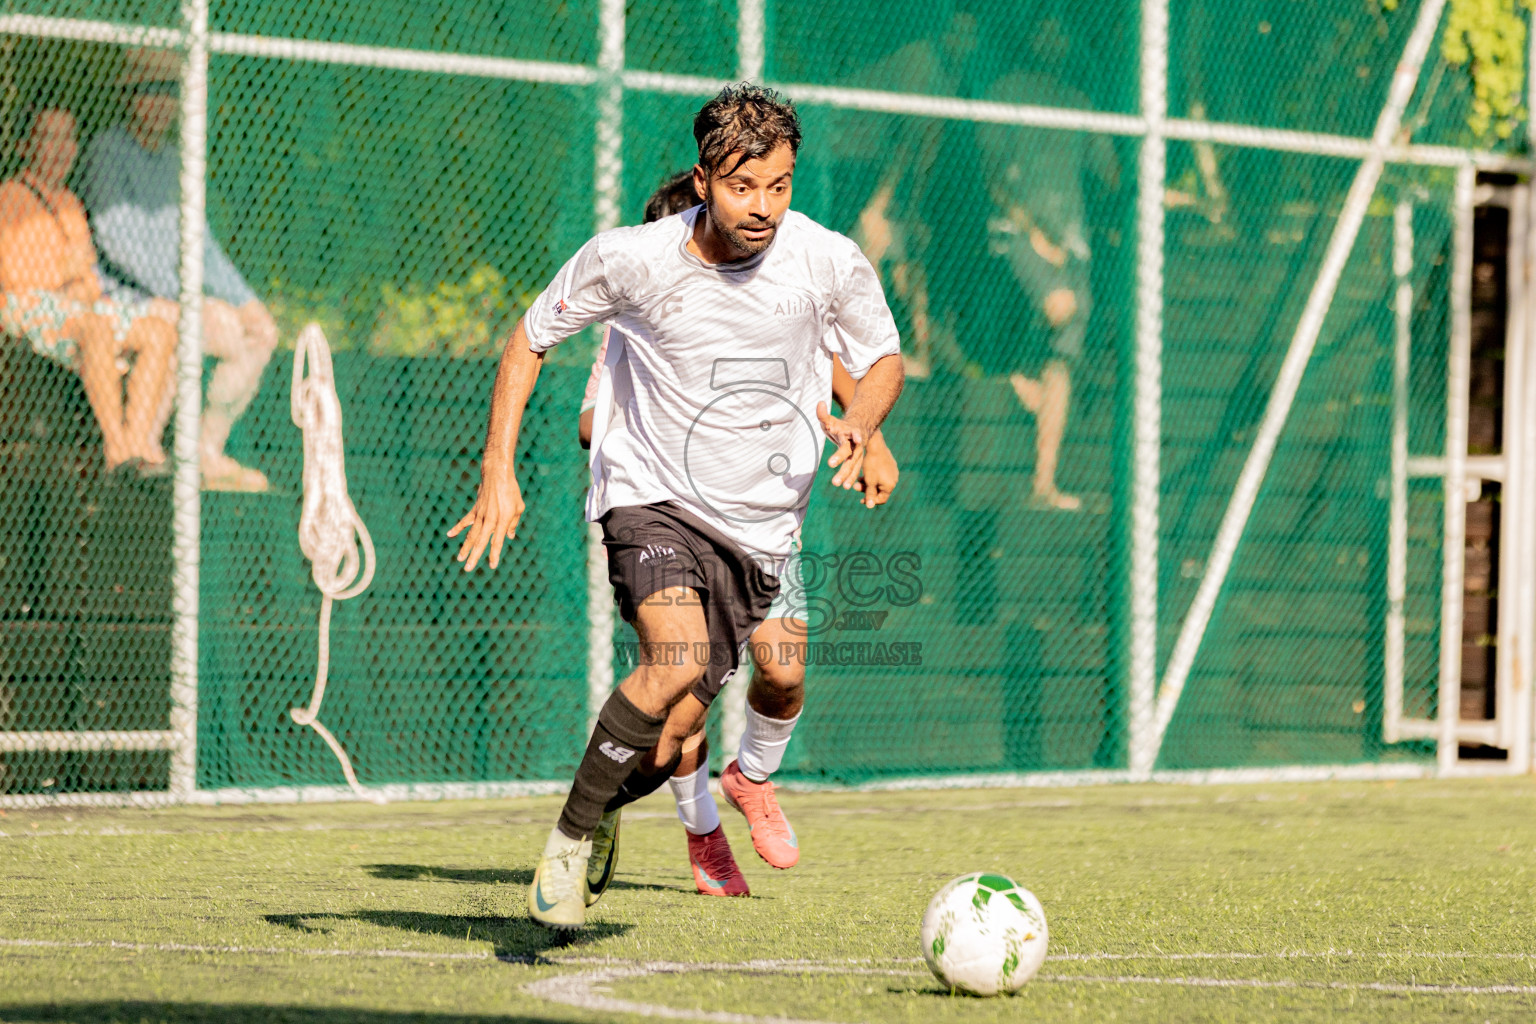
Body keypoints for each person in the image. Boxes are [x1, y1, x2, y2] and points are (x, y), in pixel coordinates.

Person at [450, 84, 905, 930]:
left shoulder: (827, 259)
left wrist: (864, 425)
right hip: (650, 497)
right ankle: (568, 842)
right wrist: (496, 468)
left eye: (779, 185)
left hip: (762, 532)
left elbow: (881, 359)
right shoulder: (632, 260)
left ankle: (653, 796)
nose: (763, 206)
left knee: (669, 744)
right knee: (673, 657)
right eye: (743, 186)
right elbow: (530, 337)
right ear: (703, 180)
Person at [576, 170, 903, 899]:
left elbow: (840, 364)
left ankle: (752, 778)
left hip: (763, 530)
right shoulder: (639, 319)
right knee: (677, 706)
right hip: (675, 524)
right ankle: (700, 833)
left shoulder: (781, 292)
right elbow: (590, 419)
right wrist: (660, 410)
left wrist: (869, 434)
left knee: (784, 670)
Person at [79, 47, 278, 492]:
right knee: (206, 326)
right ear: (130, 97)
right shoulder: (107, 152)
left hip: (175, 297)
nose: (160, 102)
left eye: (168, 91)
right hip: (124, 298)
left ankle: (205, 452)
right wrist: (186, 298)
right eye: (149, 91)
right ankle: (144, 454)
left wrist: (245, 301)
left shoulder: (175, 162)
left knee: (260, 333)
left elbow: (201, 244)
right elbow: (116, 239)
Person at [972, 29, 1119, 512]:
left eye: (1062, 34)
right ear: (1030, 36)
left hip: (1073, 245)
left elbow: (1110, 172)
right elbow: (991, 175)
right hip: (1017, 235)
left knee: (1063, 359)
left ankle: (1044, 483)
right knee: (1061, 310)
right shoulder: (1004, 93)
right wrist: (1032, 231)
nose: (1055, 42)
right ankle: (1017, 372)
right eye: (1046, 31)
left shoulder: (1078, 101)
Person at [0, 106, 175, 474]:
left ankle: (137, 443)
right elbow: (15, 276)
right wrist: (64, 273)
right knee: (95, 328)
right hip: (24, 305)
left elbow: (89, 279)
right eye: (49, 137)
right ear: (25, 146)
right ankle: (117, 448)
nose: (61, 148)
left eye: (68, 138)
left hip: (75, 307)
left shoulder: (70, 204)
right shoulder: (10, 196)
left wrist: (78, 282)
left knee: (158, 331)